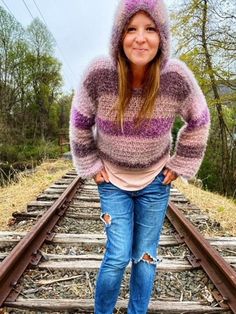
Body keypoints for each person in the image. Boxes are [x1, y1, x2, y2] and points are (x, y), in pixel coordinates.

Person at [69, 0, 210, 312]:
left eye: (150, 29)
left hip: (155, 183)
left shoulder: (175, 77)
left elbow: (199, 119)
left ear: (162, 37)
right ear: (119, 36)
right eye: (131, 29)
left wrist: (181, 162)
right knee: (118, 255)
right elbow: (80, 121)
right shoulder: (99, 74)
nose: (140, 38)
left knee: (145, 257)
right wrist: (90, 164)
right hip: (112, 183)